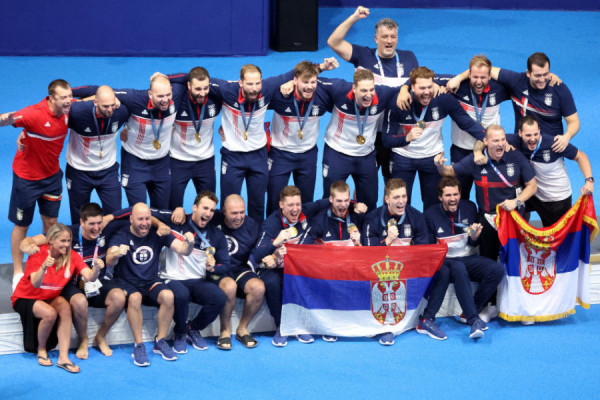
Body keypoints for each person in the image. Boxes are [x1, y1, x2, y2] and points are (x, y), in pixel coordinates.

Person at [20, 203, 128, 358]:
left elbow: (136, 211)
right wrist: (26, 247)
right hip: (71, 283)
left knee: (119, 297)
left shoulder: (106, 229)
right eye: (91, 224)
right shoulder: (67, 234)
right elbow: (30, 240)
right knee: (79, 301)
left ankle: (101, 336)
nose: (96, 228)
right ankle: (83, 339)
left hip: (95, 280)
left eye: (99, 223)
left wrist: (110, 217)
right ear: (82, 222)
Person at [327, 6, 419, 182]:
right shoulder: (363, 55)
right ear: (376, 38)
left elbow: (418, 83)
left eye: (393, 36)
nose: (389, 41)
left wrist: (404, 89)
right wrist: (354, 17)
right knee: (364, 185)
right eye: (384, 37)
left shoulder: (409, 58)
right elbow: (334, 42)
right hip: (369, 132)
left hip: (396, 132)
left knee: (393, 184)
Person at [72, 73, 186, 209]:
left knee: (162, 211)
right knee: (138, 211)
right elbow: (101, 91)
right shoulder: (135, 98)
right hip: (135, 164)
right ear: (150, 94)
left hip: (162, 164)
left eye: (168, 95)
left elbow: (192, 77)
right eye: (160, 96)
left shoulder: (177, 94)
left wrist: (166, 77)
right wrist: (69, 94)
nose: (165, 100)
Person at [0, 79, 72, 288]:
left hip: (52, 178)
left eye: (70, 96)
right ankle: (17, 272)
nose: (69, 100)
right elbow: (8, 119)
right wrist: (6, 120)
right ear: (51, 98)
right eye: (64, 97)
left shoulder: (69, 109)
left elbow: (92, 97)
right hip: (27, 180)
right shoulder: (33, 114)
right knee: (22, 225)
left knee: (51, 224)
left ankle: (44, 265)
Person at [384, 66, 485, 210]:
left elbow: (466, 123)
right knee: (398, 204)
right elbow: (387, 140)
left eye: (429, 87)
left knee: (433, 206)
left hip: (433, 159)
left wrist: (489, 138)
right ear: (412, 87)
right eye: (422, 88)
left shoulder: (443, 99)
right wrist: (406, 138)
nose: (427, 92)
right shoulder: (399, 103)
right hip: (403, 159)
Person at [105, 203, 194, 366]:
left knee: (168, 296)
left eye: (147, 219)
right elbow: (109, 260)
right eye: (140, 219)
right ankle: (138, 346)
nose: (144, 223)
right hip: (126, 282)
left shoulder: (158, 233)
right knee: (135, 298)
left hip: (150, 281)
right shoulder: (121, 235)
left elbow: (183, 250)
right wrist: (116, 253)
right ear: (131, 219)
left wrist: (190, 244)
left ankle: (160, 341)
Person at [434, 124, 537, 261]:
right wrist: (440, 165)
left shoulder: (515, 157)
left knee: (515, 261)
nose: (500, 144)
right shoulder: (476, 160)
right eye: (495, 141)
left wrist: (516, 201)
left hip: (513, 217)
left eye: (503, 140)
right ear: (486, 141)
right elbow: (449, 172)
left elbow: (532, 186)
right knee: (489, 262)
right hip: (487, 220)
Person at [11, 223, 104, 373]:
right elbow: (35, 283)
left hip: (48, 296)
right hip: (26, 297)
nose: (67, 244)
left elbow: (89, 277)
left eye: (68, 241)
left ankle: (63, 358)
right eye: (63, 241)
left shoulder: (72, 256)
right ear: (51, 241)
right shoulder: (38, 253)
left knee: (65, 307)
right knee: (50, 313)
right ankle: (41, 350)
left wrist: (96, 269)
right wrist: (44, 267)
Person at [447, 52, 578, 152]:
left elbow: (574, 122)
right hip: (522, 149)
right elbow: (484, 69)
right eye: (538, 75)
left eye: (546, 74)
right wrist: (459, 78)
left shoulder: (560, 90)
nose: (542, 79)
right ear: (528, 73)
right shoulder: (517, 82)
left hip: (550, 150)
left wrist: (566, 137)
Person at [424, 176, 504, 337]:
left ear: (460, 194)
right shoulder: (430, 215)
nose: (453, 199)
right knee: (458, 267)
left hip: (466, 257)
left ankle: (470, 310)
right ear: (440, 197)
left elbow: (473, 243)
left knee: (496, 270)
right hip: (444, 262)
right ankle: (473, 320)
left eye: (455, 194)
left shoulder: (469, 208)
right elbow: (428, 250)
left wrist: (474, 237)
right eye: (448, 195)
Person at [160, 192, 235, 353]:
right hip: (172, 278)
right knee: (181, 295)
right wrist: (162, 222)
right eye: (205, 208)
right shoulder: (177, 221)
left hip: (197, 280)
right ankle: (180, 333)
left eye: (212, 210)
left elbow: (226, 265)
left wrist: (213, 268)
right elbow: (144, 213)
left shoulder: (216, 235)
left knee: (219, 298)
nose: (208, 213)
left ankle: (192, 328)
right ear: (194, 207)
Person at [320, 69, 401, 210]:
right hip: (337, 153)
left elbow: (410, 85)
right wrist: (291, 82)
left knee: (369, 203)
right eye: (363, 90)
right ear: (354, 88)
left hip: (366, 156)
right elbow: (311, 80)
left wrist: (405, 90)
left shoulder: (382, 93)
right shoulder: (339, 88)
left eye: (371, 89)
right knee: (331, 200)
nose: (368, 95)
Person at [362, 178, 431, 344]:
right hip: (378, 270)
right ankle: (385, 327)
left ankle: (427, 319)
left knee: (442, 272)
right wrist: (387, 241)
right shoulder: (372, 219)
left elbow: (422, 251)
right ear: (386, 199)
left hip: (408, 267)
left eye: (404, 196)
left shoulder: (416, 217)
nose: (401, 202)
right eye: (396, 197)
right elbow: (368, 255)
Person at [266, 60, 335, 215]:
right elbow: (254, 105)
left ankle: (304, 229)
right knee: (274, 201)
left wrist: (322, 68)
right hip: (280, 155)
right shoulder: (280, 95)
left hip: (307, 156)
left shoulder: (323, 96)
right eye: (305, 82)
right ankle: (272, 229)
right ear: (295, 80)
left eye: (313, 82)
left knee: (306, 203)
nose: (309, 86)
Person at [253, 186, 315, 347]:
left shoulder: (306, 213)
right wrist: (275, 242)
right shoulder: (271, 224)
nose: (295, 209)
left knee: (304, 278)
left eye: (298, 204)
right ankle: (282, 326)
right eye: (290, 205)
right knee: (273, 283)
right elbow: (257, 254)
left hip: (294, 267)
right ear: (281, 205)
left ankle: (300, 325)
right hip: (271, 268)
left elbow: (328, 201)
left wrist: (354, 204)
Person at [509, 115, 593, 227]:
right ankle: (521, 234)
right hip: (533, 192)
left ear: (539, 131)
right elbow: (490, 138)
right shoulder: (514, 140)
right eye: (528, 135)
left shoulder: (553, 143)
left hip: (555, 198)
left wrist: (589, 181)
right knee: (518, 211)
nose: (533, 139)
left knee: (555, 235)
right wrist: (500, 147)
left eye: (535, 134)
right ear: (520, 133)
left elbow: (581, 156)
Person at [445, 55, 510, 198]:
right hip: (460, 151)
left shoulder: (499, 88)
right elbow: (426, 78)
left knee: (491, 196)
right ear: (468, 74)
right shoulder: (458, 85)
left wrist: (551, 77)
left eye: (483, 77)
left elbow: (523, 82)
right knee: (459, 196)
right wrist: (404, 89)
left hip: (489, 151)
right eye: (475, 77)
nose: (479, 82)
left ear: (490, 76)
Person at [65, 86, 129, 223]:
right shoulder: (77, 112)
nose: (110, 110)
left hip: (108, 171)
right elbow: (53, 114)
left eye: (112, 105)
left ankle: (111, 238)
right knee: (79, 218)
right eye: (105, 106)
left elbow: (138, 112)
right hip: (78, 172)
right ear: (95, 102)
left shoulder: (121, 111)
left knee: (115, 216)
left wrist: (127, 128)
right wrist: (25, 133)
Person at [212, 194, 265, 349]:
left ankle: (242, 329)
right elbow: (194, 218)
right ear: (224, 211)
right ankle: (225, 331)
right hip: (218, 269)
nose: (239, 217)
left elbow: (258, 251)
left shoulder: (252, 225)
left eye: (242, 212)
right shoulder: (213, 218)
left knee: (258, 288)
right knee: (230, 287)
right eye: (234, 213)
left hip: (240, 268)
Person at [168, 67, 223, 210]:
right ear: (188, 85)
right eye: (198, 89)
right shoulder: (178, 98)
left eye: (205, 88)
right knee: (173, 208)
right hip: (177, 161)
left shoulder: (215, 98)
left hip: (205, 162)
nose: (202, 93)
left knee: (208, 207)